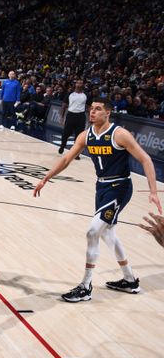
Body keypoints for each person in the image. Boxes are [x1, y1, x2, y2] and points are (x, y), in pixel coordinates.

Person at [33, 97, 161, 302]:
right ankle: (130, 280)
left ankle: (85, 286)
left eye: (98, 109)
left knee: (93, 231)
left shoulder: (119, 134)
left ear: (107, 113)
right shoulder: (86, 135)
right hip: (101, 186)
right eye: (91, 109)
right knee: (108, 234)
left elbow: (145, 159)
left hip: (119, 187)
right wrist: (46, 177)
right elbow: (67, 158)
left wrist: (153, 191)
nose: (92, 112)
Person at [59, 79, 88, 157]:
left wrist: (91, 118)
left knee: (79, 136)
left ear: (83, 85)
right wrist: (61, 117)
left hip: (81, 116)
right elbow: (64, 105)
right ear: (75, 84)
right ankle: (62, 145)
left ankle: (76, 154)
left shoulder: (86, 95)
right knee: (66, 133)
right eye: (78, 83)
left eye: (81, 83)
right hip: (71, 115)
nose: (79, 84)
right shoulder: (70, 94)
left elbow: (89, 107)